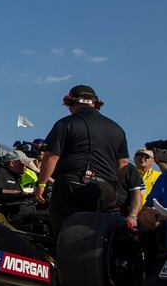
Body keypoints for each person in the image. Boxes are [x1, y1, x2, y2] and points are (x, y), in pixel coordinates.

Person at [34, 84, 129, 238]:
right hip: (105, 190)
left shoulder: (66, 123)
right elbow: (123, 164)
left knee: (64, 233)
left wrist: (41, 184)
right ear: (95, 103)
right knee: (94, 237)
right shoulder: (117, 128)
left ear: (71, 102)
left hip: (73, 184)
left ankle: (63, 260)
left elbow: (52, 157)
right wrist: (114, 191)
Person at [114, 163, 144, 230]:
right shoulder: (96, 161)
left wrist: (132, 216)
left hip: (118, 213)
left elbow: (136, 194)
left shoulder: (129, 168)